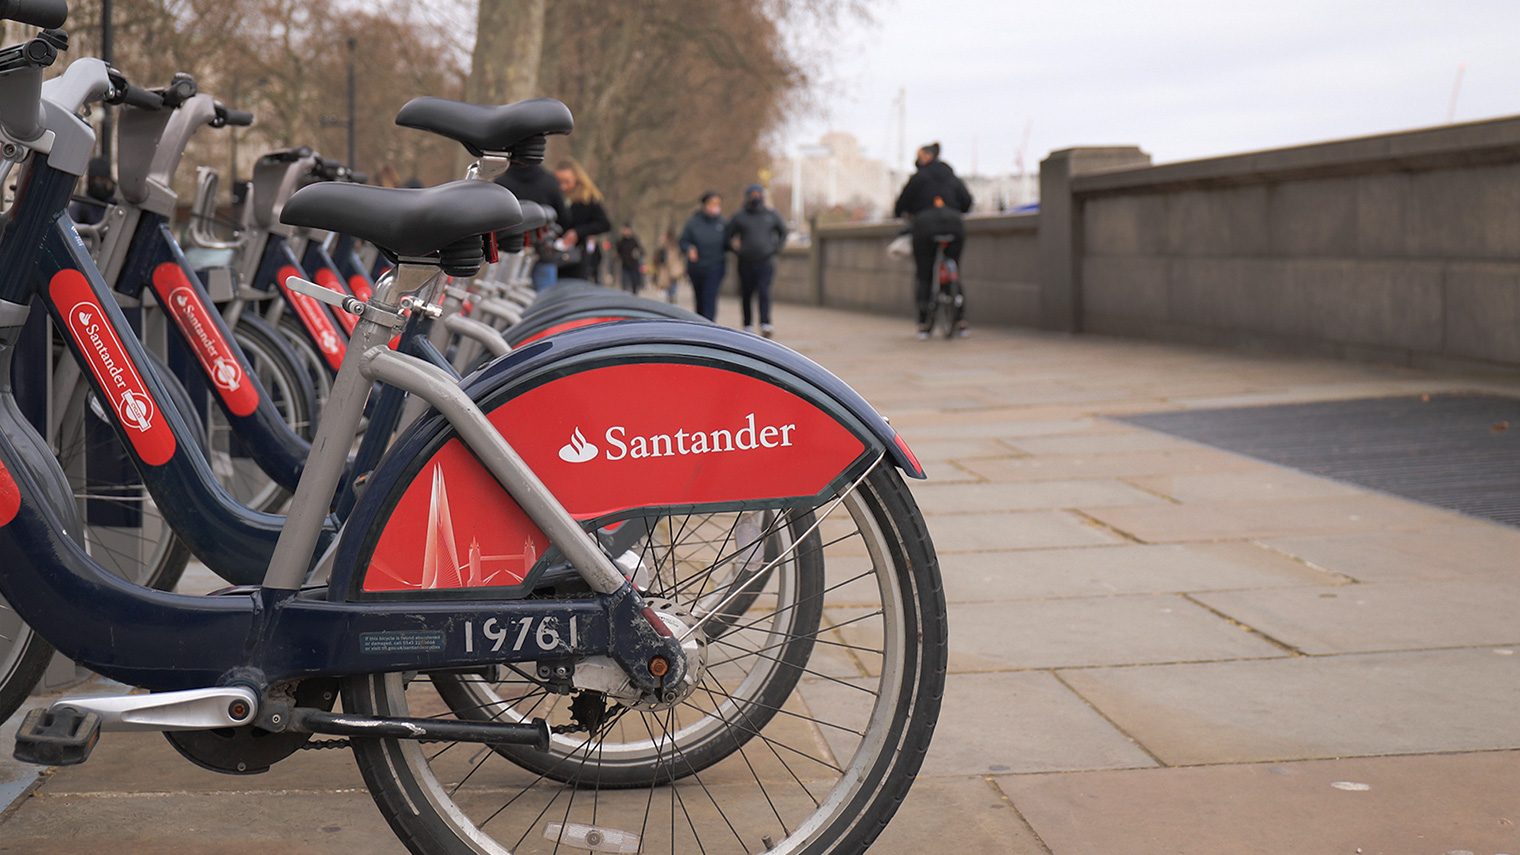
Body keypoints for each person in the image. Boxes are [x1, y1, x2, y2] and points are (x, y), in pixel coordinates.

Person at [893, 142, 973, 338]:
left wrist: (908, 213)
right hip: (954, 225)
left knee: (925, 273)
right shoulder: (952, 177)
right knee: (953, 265)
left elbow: (900, 205)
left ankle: (923, 324)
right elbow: (967, 203)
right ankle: (960, 320)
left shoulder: (918, 178)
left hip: (925, 226)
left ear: (927, 156)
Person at [723, 184, 788, 337]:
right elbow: (728, 237)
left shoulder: (771, 215)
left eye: (759, 194)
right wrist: (737, 251)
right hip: (746, 262)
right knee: (746, 293)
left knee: (764, 291)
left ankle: (765, 322)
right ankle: (747, 324)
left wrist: (775, 248)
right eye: (753, 195)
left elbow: (783, 232)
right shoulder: (740, 216)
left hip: (765, 261)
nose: (756, 197)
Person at [496, 160, 568, 290]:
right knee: (545, 300)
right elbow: (564, 217)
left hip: (508, 253)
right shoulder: (550, 182)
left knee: (502, 295)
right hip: (543, 252)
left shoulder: (501, 184)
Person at [553, 159, 612, 283]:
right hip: (554, 256)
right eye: (559, 182)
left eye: (567, 182)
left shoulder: (587, 200)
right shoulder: (555, 197)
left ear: (576, 179)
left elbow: (604, 224)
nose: (563, 187)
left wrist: (578, 232)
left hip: (577, 258)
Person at [679, 192, 727, 321]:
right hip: (697, 268)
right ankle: (700, 323)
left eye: (717, 204)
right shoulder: (693, 223)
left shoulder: (723, 224)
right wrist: (689, 248)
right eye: (712, 203)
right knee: (699, 298)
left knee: (710, 296)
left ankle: (709, 324)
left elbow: (729, 244)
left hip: (715, 266)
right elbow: (683, 241)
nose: (715, 207)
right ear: (704, 204)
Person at [68, 156, 116, 226]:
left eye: (102, 180)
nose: (97, 183)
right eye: (93, 180)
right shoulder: (83, 205)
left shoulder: (120, 203)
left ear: (109, 180)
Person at [651, 229, 685, 303]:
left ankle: (670, 296)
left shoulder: (668, 246)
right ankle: (672, 296)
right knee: (673, 283)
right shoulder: (676, 245)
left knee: (669, 283)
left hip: (668, 268)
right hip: (673, 269)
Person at [614, 224, 644, 293]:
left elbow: (641, 251)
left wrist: (637, 254)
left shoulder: (634, 240)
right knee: (624, 283)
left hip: (633, 264)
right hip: (624, 264)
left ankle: (634, 292)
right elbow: (617, 252)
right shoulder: (621, 241)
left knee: (634, 282)